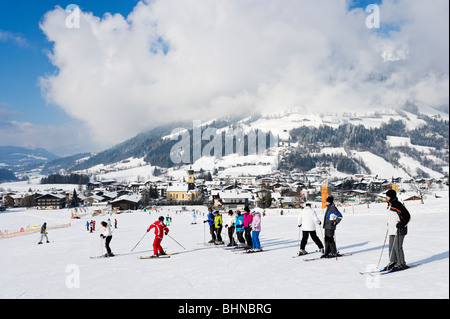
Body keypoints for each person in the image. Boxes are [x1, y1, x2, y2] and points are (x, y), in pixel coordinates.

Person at [383, 189, 411, 272]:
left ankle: (401, 263)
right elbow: (392, 216)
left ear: (391, 197)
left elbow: (407, 216)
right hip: (391, 229)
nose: (386, 198)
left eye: (387, 196)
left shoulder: (398, 205)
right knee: (391, 247)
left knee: (397, 247)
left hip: (399, 229)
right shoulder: (390, 205)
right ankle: (393, 261)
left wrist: (401, 224)